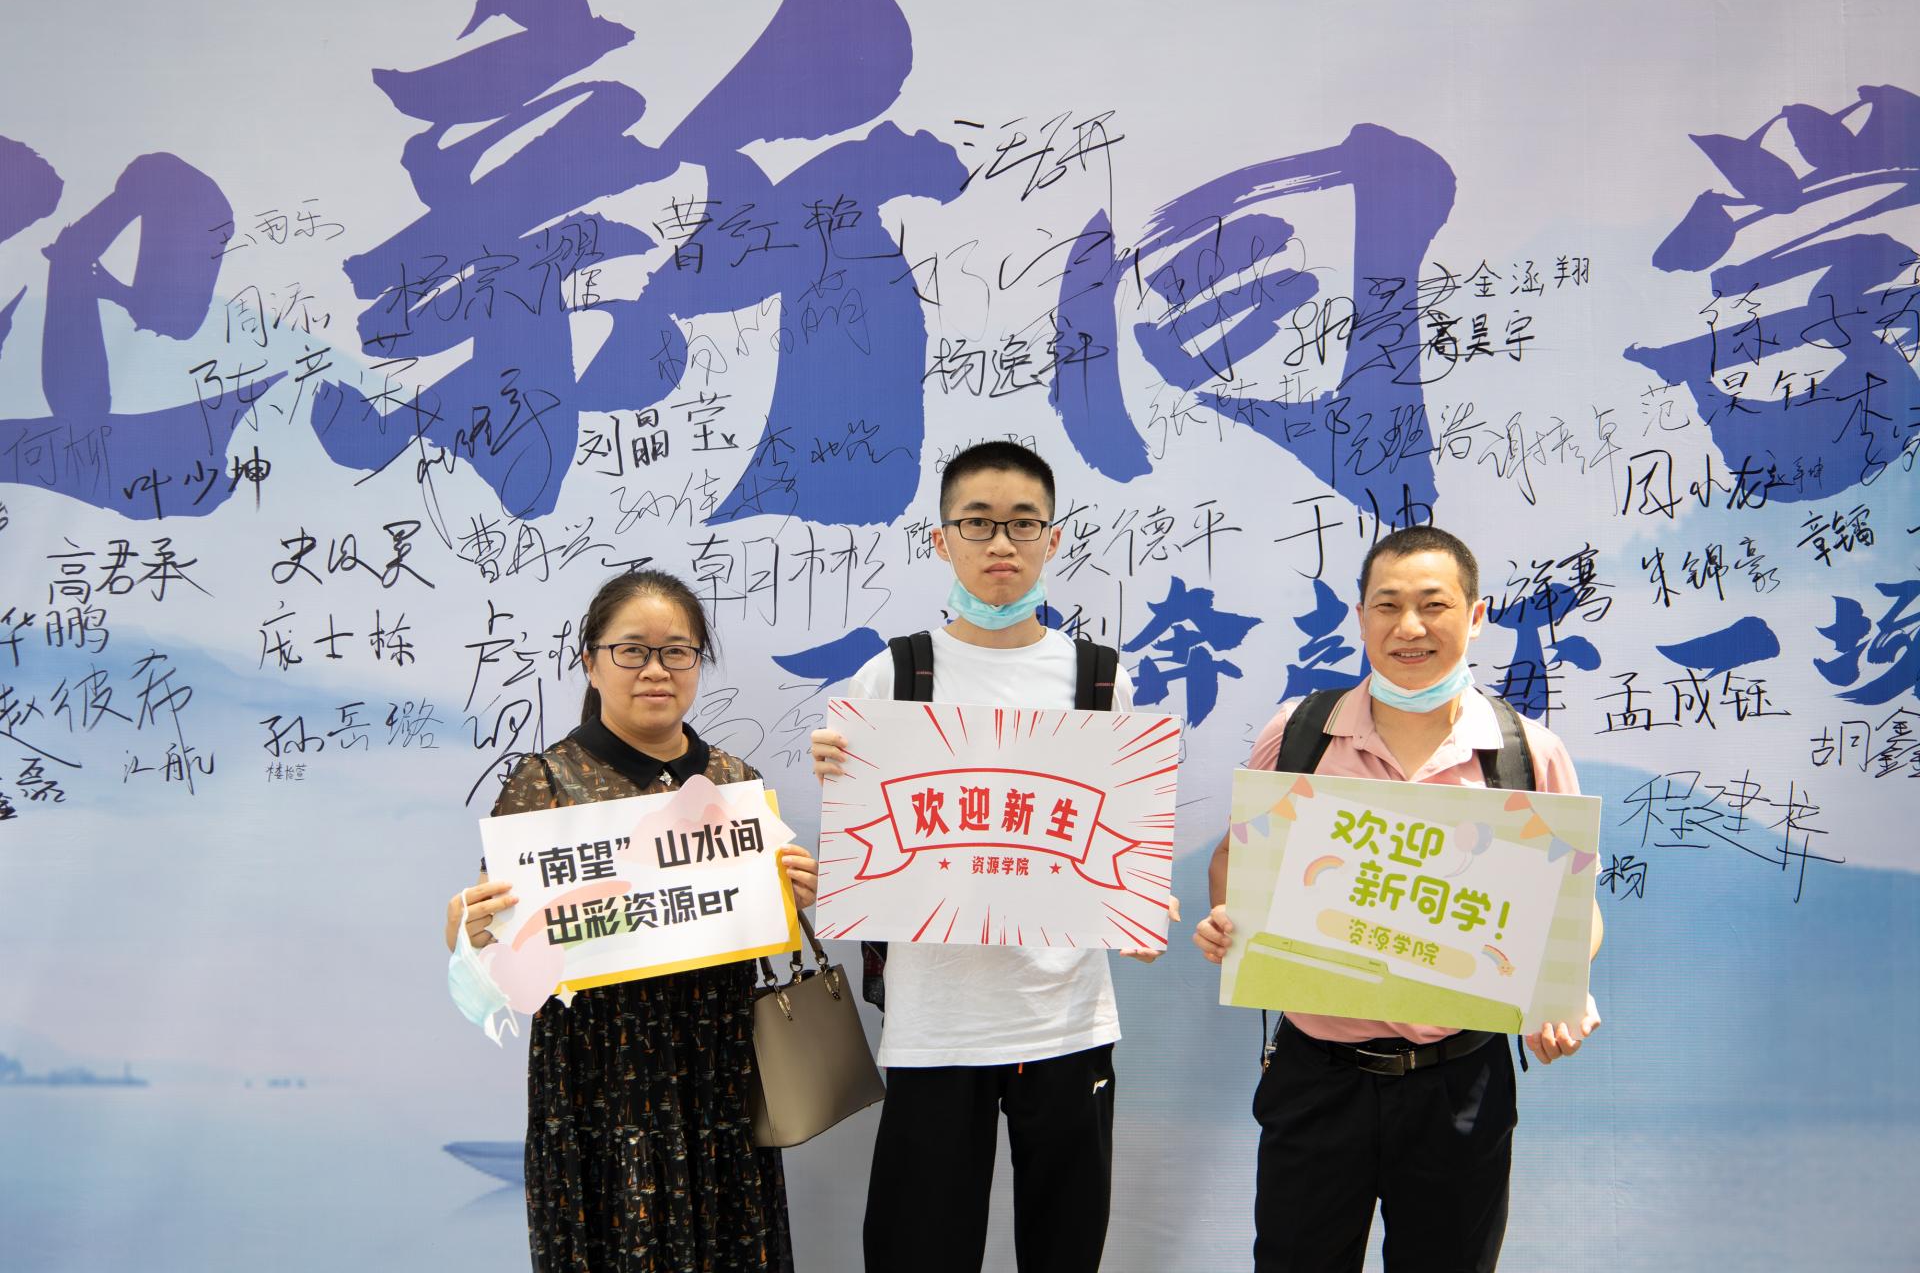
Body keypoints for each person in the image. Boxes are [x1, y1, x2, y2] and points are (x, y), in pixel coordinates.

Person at [1193, 525, 1604, 1273]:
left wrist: (1565, 990)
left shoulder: (1525, 751)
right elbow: (1236, 862)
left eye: (1433, 605)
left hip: (1460, 1081)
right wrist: (1229, 922)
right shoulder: (1301, 732)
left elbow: (1575, 911)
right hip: (1318, 1076)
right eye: (1387, 605)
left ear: (1475, 616)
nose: (1409, 626)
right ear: (1360, 617)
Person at [810, 441, 1167, 1273]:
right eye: (978, 522)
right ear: (942, 539)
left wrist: (1141, 902)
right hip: (935, 1019)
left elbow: (1120, 838)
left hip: (1065, 1015)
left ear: (1053, 537)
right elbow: (866, 848)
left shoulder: (1099, 678)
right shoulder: (893, 675)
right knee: (918, 1250)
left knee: (1065, 1247)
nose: (1001, 542)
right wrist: (837, 772)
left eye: (1022, 523)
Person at [444, 569, 819, 1273]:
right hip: (597, 1074)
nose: (656, 669)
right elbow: (497, 960)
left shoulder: (735, 781)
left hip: (717, 1063)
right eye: (632, 650)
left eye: (677, 651)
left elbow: (757, 922)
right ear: (591, 662)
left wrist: (792, 896)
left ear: (698, 662)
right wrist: (468, 933)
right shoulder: (545, 783)